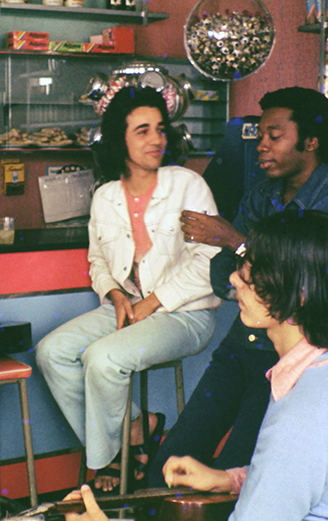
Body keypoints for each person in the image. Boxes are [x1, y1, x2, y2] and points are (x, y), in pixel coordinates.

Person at [66, 210, 328, 521]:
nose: (233, 279)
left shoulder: (307, 410)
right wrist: (228, 479)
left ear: (298, 295)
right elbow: (306, 478)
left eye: (250, 275)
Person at [149, 86, 328, 484]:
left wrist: (236, 242)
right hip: (241, 345)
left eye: (275, 136)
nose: (261, 146)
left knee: (235, 475)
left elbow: (320, 294)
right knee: (170, 461)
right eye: (260, 136)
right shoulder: (263, 195)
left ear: (311, 142)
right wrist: (246, 264)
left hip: (289, 359)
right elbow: (223, 275)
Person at [36, 86, 220, 492]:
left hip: (185, 313)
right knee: (52, 352)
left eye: (160, 128)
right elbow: (98, 262)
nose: (156, 139)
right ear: (120, 139)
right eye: (143, 130)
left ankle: (113, 463)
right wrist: (116, 295)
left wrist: (153, 302)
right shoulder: (105, 196)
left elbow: (210, 261)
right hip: (130, 306)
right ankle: (137, 427)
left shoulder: (187, 185)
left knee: (102, 358)